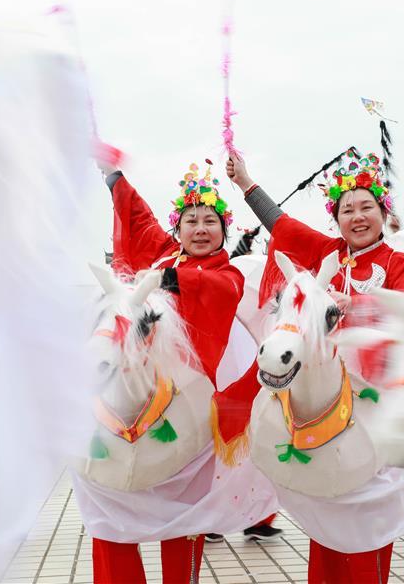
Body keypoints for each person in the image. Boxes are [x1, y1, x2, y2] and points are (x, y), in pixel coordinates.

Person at [226, 150, 404, 583]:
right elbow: (280, 225)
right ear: (335, 218)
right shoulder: (327, 254)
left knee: (366, 530)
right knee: (326, 517)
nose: (357, 218)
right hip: (324, 409)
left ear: (382, 211)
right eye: (347, 210)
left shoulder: (399, 263)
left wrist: (354, 306)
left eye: (366, 208)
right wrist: (245, 182)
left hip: (375, 411)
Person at [82, 158, 280, 583]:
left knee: (184, 508)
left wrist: (172, 281)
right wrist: (114, 177)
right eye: (191, 220)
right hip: (141, 390)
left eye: (211, 221)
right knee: (109, 500)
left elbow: (217, 290)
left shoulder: (225, 273)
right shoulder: (163, 255)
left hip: (192, 406)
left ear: (224, 231)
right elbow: (139, 218)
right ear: (179, 229)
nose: (201, 228)